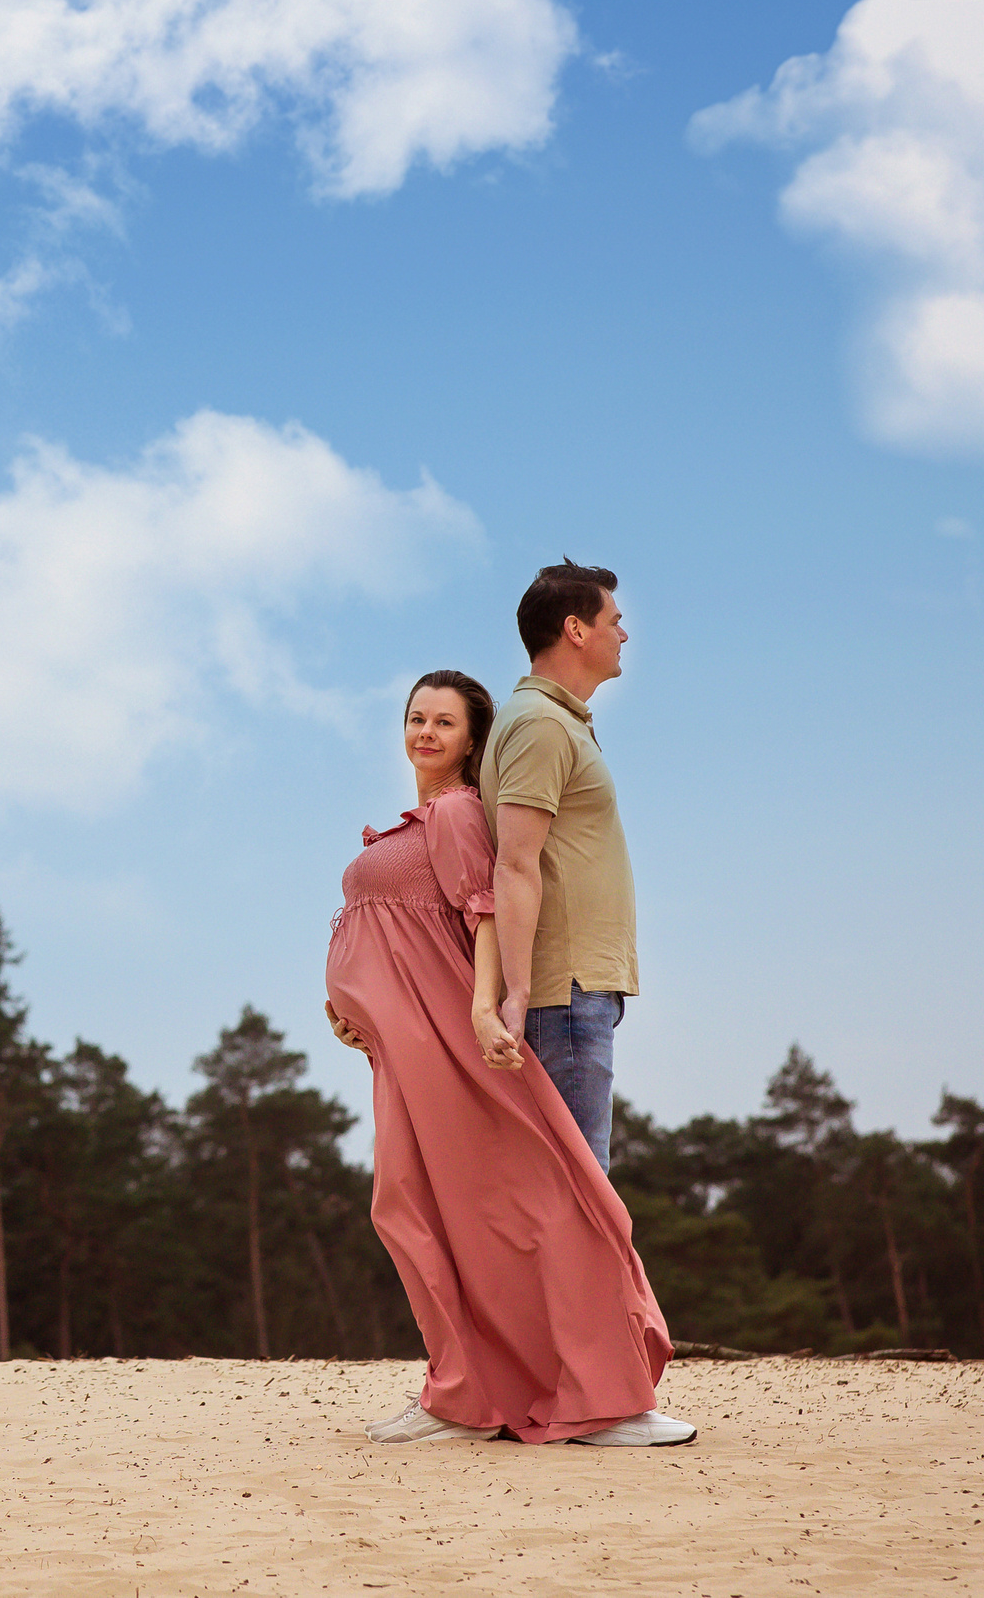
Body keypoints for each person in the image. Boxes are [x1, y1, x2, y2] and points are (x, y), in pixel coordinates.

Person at [325, 670, 691, 1447]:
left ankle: (603, 1393)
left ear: (471, 738)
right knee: (415, 1208)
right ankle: (463, 1393)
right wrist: (351, 1009)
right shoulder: (415, 820)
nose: (425, 732)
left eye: (444, 723)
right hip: (400, 1049)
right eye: (415, 717)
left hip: (447, 1044)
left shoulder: (456, 813)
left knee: (527, 1203)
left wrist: (485, 1009)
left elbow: (482, 913)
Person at [480, 560, 636, 1173]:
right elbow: (515, 864)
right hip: (561, 995)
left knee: (572, 1192)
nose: (623, 635)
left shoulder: (554, 721)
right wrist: (517, 992)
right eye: (615, 621)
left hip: (573, 993)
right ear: (576, 629)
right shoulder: (543, 725)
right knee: (578, 1196)